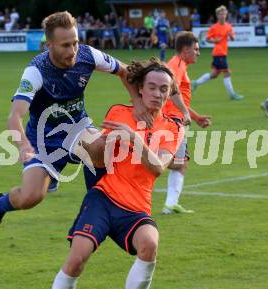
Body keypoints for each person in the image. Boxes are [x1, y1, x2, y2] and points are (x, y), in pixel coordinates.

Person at [0, 11, 156, 241]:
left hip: (77, 127)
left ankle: (98, 208)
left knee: (101, 147)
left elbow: (124, 71)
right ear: (48, 45)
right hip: (43, 140)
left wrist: (137, 102)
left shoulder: (87, 55)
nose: (72, 51)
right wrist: (23, 146)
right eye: (65, 45)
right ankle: (0, 205)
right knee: (30, 197)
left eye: (75, 42)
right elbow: (15, 116)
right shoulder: (36, 71)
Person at [51, 57, 181, 289]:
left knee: (149, 243)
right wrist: (102, 140)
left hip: (136, 207)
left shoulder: (172, 127)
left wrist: (133, 138)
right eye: (151, 87)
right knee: (77, 259)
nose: (157, 93)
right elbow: (98, 156)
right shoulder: (119, 112)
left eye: (164, 89)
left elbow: (158, 167)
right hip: (103, 198)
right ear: (140, 88)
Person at [161, 32, 211, 214]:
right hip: (172, 120)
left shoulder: (180, 65)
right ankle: (141, 159)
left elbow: (180, 98)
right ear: (185, 49)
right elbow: (172, 92)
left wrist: (196, 117)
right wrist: (182, 113)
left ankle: (170, 205)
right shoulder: (176, 65)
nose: (198, 53)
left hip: (176, 118)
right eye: (196, 50)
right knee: (178, 162)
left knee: (181, 163)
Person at [192, 5, 244, 100]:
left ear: (226, 14)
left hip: (223, 53)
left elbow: (233, 38)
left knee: (214, 74)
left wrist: (230, 36)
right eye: (221, 14)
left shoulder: (228, 26)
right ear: (217, 15)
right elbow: (207, 39)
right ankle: (232, 95)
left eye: (224, 13)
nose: (223, 15)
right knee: (227, 73)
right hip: (218, 53)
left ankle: (195, 83)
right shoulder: (214, 27)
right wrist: (215, 41)